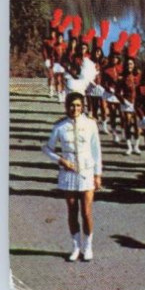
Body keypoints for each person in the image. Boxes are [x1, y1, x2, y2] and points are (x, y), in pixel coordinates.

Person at [42, 91, 102, 262]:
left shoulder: (90, 124)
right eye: (71, 105)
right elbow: (47, 148)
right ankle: (76, 247)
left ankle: (88, 246)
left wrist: (98, 174)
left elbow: (96, 151)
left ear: (82, 106)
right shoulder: (59, 126)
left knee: (87, 212)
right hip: (68, 173)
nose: (75, 108)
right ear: (66, 106)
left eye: (78, 105)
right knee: (72, 210)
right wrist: (61, 160)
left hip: (87, 172)